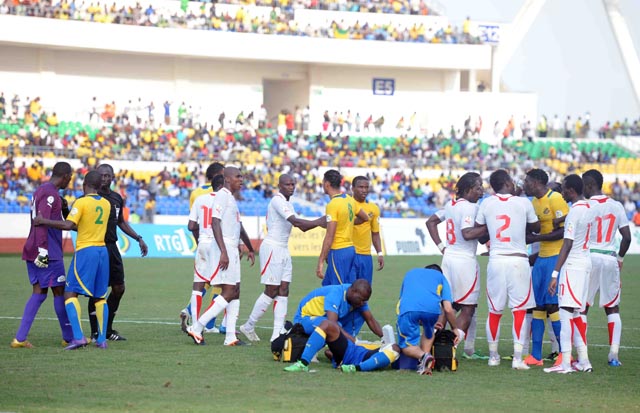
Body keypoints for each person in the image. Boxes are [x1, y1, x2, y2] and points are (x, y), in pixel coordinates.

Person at [463, 169, 539, 370]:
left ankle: (493, 356)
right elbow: (536, 227)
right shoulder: (523, 202)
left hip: (496, 260)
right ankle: (517, 358)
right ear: (507, 182)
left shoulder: (486, 203)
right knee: (519, 311)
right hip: (518, 260)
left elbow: (480, 235)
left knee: (494, 311)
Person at [239, 174, 324, 343]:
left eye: (293, 183)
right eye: (287, 184)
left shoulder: (287, 203)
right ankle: (248, 325)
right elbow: (298, 223)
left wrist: (319, 223)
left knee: (284, 289)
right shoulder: (277, 201)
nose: (291, 187)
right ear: (279, 186)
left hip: (283, 248)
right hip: (272, 248)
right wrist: (321, 221)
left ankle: (277, 333)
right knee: (271, 290)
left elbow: (302, 227)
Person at [34, 171, 111, 350]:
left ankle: (78, 337)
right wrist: (66, 211)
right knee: (100, 297)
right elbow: (81, 226)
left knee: (69, 294)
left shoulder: (82, 202)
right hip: (102, 251)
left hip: (86, 251)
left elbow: (69, 225)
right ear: (100, 186)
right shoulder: (106, 204)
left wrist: (43, 221)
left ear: (85, 184)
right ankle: (101, 339)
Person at [185, 166, 255, 346]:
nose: (241, 179)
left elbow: (238, 226)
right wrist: (223, 251)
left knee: (236, 291)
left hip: (231, 246)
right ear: (227, 179)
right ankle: (198, 326)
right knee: (229, 291)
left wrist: (250, 248)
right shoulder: (223, 196)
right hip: (224, 247)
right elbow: (214, 222)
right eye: (238, 176)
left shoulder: (230, 198)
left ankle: (230, 336)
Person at [11, 162, 74, 349]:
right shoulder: (50, 194)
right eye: (69, 177)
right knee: (59, 292)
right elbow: (40, 223)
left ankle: (20, 338)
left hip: (34, 248)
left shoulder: (41, 190)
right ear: (64, 176)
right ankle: (69, 337)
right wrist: (44, 251)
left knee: (39, 292)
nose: (70, 181)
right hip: (48, 252)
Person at [425, 172, 486, 360]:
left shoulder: (451, 205)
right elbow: (468, 234)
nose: (481, 191)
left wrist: (442, 247)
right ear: (468, 189)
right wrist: (490, 225)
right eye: (478, 187)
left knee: (448, 305)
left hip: (449, 258)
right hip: (464, 261)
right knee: (468, 308)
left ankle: (433, 342)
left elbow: (431, 221)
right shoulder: (470, 207)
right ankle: (448, 347)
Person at [87, 164, 148, 342]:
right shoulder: (90, 197)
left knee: (119, 288)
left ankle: (107, 329)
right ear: (96, 177)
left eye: (108, 176)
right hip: (96, 246)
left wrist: (138, 238)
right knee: (97, 291)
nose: (105, 179)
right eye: (101, 176)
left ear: (113, 177)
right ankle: (95, 332)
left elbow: (120, 222)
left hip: (112, 248)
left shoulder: (116, 198)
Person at [544, 175, 596, 374]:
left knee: (565, 314)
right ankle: (583, 360)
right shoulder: (589, 208)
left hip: (573, 266)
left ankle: (565, 363)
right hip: (585, 264)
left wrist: (555, 273)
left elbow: (567, 243)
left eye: (564, 189)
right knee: (577, 314)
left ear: (571, 190)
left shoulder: (574, 212)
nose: (562, 193)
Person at [582, 169, 631, 367]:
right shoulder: (616, 205)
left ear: (589, 185)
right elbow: (627, 237)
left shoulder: (585, 206)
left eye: (584, 185)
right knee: (612, 307)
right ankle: (614, 355)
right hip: (610, 258)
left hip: (589, 256)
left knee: (581, 307)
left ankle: (582, 355)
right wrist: (619, 257)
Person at [284, 279, 384, 372]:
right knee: (332, 324)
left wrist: (384, 337)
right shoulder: (336, 294)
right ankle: (305, 361)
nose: (363, 303)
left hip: (324, 319)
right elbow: (333, 324)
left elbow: (370, 320)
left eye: (365, 300)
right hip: (305, 319)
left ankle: (343, 351)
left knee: (361, 313)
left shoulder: (358, 298)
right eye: (361, 300)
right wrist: (355, 341)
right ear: (353, 292)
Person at [522, 169, 569, 367]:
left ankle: (563, 354)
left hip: (555, 257)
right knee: (538, 307)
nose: (525, 185)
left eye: (527, 181)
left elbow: (564, 232)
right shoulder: (533, 203)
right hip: (541, 258)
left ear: (537, 182)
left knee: (553, 306)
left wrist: (537, 238)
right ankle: (536, 356)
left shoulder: (556, 198)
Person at [180, 162, 225, 333]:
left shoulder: (196, 194)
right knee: (220, 284)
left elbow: (194, 223)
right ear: (217, 175)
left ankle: (189, 311)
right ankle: (210, 324)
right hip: (217, 243)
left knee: (202, 281)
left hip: (202, 242)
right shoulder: (222, 194)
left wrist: (199, 242)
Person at [396, 264, 460, 375]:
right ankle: (426, 367)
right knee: (429, 333)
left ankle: (425, 357)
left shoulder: (411, 273)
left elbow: (405, 300)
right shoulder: (441, 278)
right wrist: (455, 328)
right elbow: (448, 309)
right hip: (432, 311)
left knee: (406, 347)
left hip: (408, 309)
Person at [341, 176, 384, 338]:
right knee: (349, 295)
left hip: (366, 257)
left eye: (366, 187)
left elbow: (375, 233)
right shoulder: (347, 205)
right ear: (353, 188)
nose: (364, 190)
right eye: (360, 187)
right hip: (349, 254)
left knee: (363, 297)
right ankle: (340, 331)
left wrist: (379, 252)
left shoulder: (373, 208)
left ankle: (352, 332)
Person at [316, 169, 366, 286]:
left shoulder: (333, 205)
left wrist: (321, 260)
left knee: (337, 289)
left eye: (323, 182)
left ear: (327, 184)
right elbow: (364, 217)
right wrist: (346, 223)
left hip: (338, 251)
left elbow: (330, 235)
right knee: (327, 286)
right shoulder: (349, 200)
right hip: (350, 250)